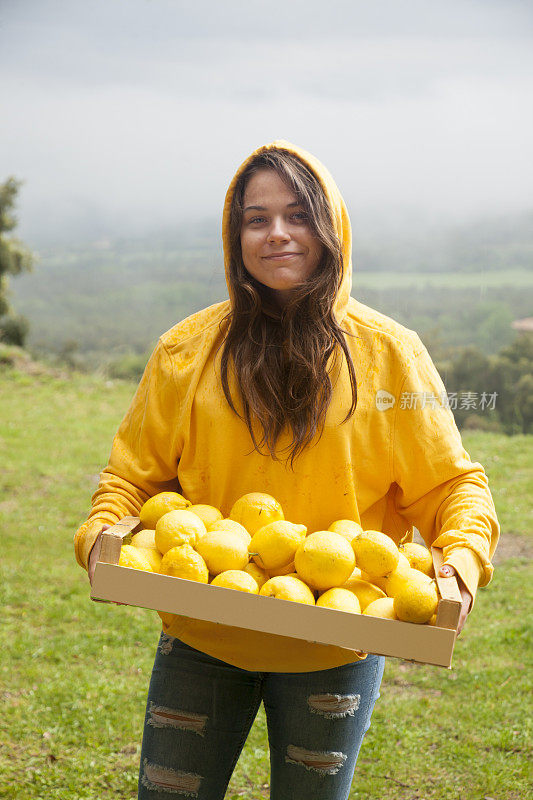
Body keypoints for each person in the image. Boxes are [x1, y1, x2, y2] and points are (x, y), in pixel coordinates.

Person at [74, 140, 499, 799]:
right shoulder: (186, 352)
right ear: (233, 234)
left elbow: (451, 486)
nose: (276, 234)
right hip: (202, 637)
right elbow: (133, 479)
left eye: (298, 215)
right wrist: (101, 534)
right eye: (255, 218)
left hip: (334, 645)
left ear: (331, 227)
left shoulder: (390, 356)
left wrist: (460, 566)